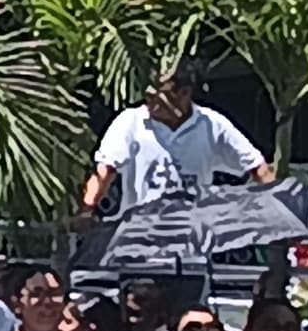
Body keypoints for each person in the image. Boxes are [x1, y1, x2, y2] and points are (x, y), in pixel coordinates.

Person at [80, 62, 274, 217]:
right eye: (148, 94)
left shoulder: (211, 124)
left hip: (191, 249)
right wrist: (87, 211)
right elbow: (105, 171)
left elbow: (257, 167)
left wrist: (281, 211)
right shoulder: (131, 122)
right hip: (138, 247)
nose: (151, 101)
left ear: (184, 93)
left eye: (159, 95)